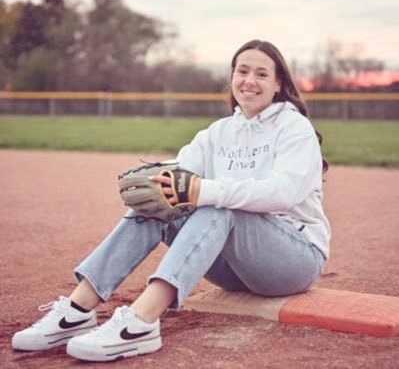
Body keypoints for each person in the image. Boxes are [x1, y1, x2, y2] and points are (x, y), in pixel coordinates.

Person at [12, 39, 331, 362]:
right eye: (242, 71)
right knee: (159, 203)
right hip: (235, 267)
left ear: (278, 84)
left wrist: (202, 191)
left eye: (262, 74)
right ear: (232, 77)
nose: (249, 81)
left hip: (293, 260)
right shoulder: (217, 133)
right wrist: (155, 181)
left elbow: (281, 191)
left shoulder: (294, 128)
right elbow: (181, 172)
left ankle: (142, 322)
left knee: (218, 208)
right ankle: (77, 309)